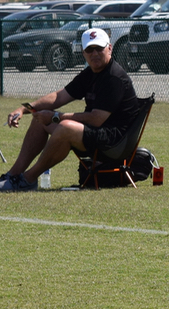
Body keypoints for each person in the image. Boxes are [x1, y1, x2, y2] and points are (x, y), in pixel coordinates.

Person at [2, 28, 141, 191]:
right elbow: (59, 97)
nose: (94, 53)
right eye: (89, 49)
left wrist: (55, 117)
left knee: (66, 127)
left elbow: (97, 118)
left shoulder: (114, 78)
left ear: (109, 48)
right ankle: (13, 176)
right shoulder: (91, 73)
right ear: (83, 53)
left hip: (115, 143)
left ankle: (27, 180)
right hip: (97, 134)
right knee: (39, 119)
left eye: (99, 48)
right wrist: (23, 109)